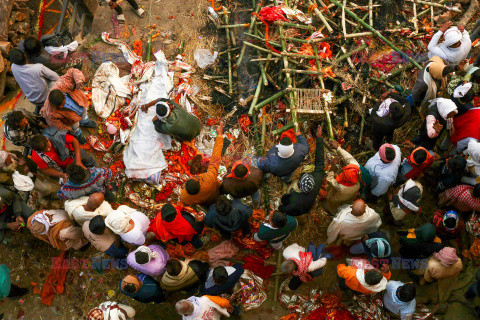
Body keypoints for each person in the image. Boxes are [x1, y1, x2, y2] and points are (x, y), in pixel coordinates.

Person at [40, 68, 97, 142]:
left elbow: (72, 71)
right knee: (75, 126)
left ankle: (85, 121)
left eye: (61, 104)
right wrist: (69, 129)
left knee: (84, 110)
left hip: (78, 102)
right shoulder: (49, 112)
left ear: (64, 96)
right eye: (58, 107)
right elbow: (57, 125)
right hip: (70, 118)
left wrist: (78, 80)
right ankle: (78, 133)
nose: (60, 107)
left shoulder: (61, 84)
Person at [278, 125, 324, 216]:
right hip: (308, 206)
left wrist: (280, 208)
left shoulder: (294, 200)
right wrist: (319, 139)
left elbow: (284, 209)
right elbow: (320, 160)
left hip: (299, 207)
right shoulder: (318, 178)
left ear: (299, 187)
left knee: (291, 188)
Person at [180, 122, 224, 207]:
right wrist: (219, 136)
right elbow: (215, 159)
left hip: (205, 203)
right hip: (216, 192)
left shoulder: (185, 197)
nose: (191, 176)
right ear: (199, 183)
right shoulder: (209, 180)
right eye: (192, 178)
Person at [30, 133, 95, 180]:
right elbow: (46, 169)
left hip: (75, 153)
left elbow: (74, 141)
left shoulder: (57, 136)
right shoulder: (36, 156)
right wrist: (61, 175)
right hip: (65, 167)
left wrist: (78, 161)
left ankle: (92, 167)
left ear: (47, 139)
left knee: (87, 160)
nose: (48, 149)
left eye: (48, 146)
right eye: (45, 150)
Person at [324, 139, 361, 214]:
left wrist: (333, 165)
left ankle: (331, 211)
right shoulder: (356, 170)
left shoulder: (340, 187)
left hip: (338, 197)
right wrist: (338, 148)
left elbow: (329, 179)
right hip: (350, 194)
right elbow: (349, 158)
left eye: (343, 173)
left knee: (332, 202)